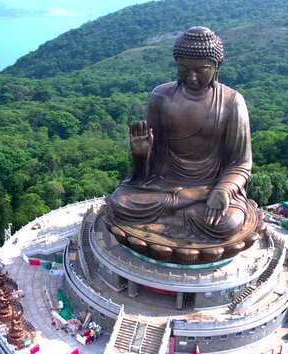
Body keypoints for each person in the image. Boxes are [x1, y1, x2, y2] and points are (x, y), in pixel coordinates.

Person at [105, 26, 254, 242]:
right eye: (184, 69)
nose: (192, 77)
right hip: (164, 182)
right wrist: (141, 155)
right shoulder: (161, 96)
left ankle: (181, 209)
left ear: (216, 66)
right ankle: (183, 206)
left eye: (200, 70)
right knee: (121, 202)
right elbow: (146, 171)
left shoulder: (232, 102)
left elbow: (240, 163)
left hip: (210, 186)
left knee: (228, 222)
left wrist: (223, 190)